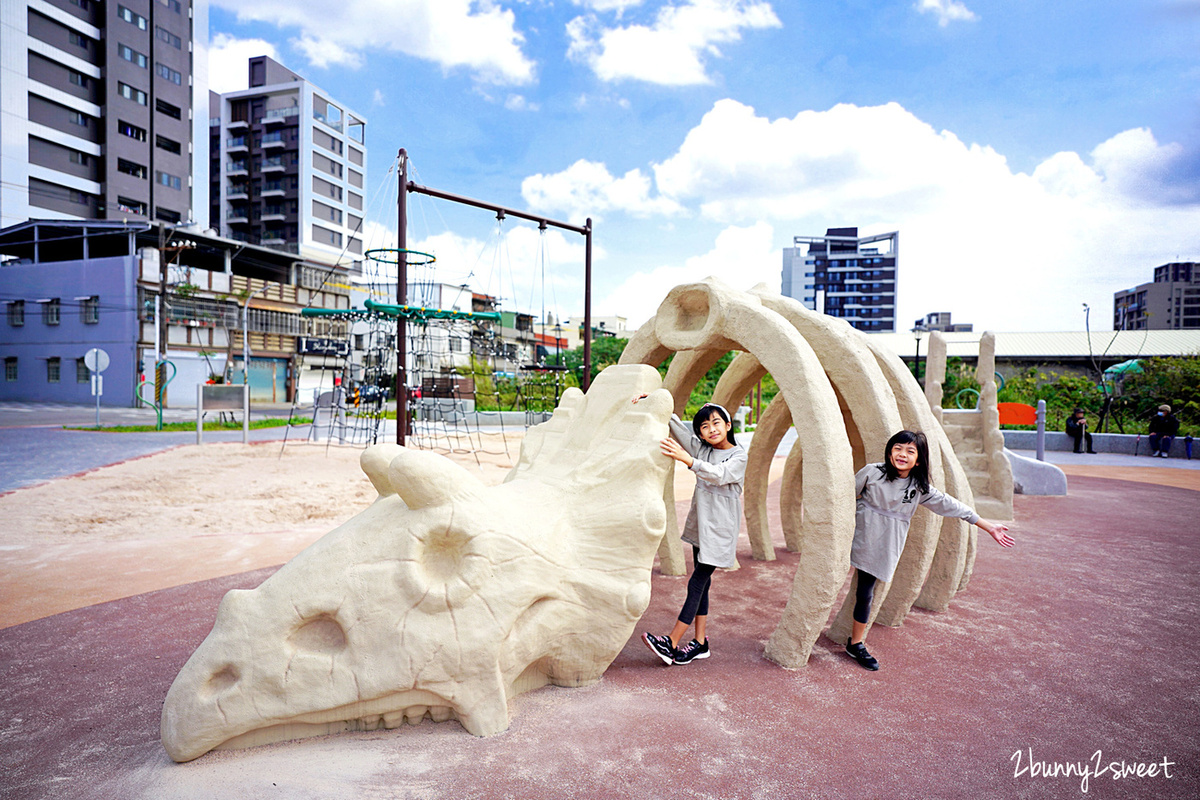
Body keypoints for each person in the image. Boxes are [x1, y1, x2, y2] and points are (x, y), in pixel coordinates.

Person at [846, 430, 1015, 671]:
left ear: (918, 459)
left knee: (865, 592)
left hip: (884, 542)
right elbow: (846, 495)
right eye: (897, 448)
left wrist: (987, 526)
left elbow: (951, 504)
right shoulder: (873, 472)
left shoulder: (918, 487)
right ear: (889, 451)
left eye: (910, 451)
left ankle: (856, 643)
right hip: (858, 531)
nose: (902, 454)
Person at [634, 398, 747, 666]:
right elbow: (680, 431)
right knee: (703, 586)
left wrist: (689, 460)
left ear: (728, 425)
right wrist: (654, 399)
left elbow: (719, 474)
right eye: (704, 427)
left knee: (696, 582)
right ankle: (699, 642)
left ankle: (671, 642)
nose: (711, 429)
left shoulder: (738, 456)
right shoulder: (702, 449)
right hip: (701, 526)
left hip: (719, 530)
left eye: (716, 423)